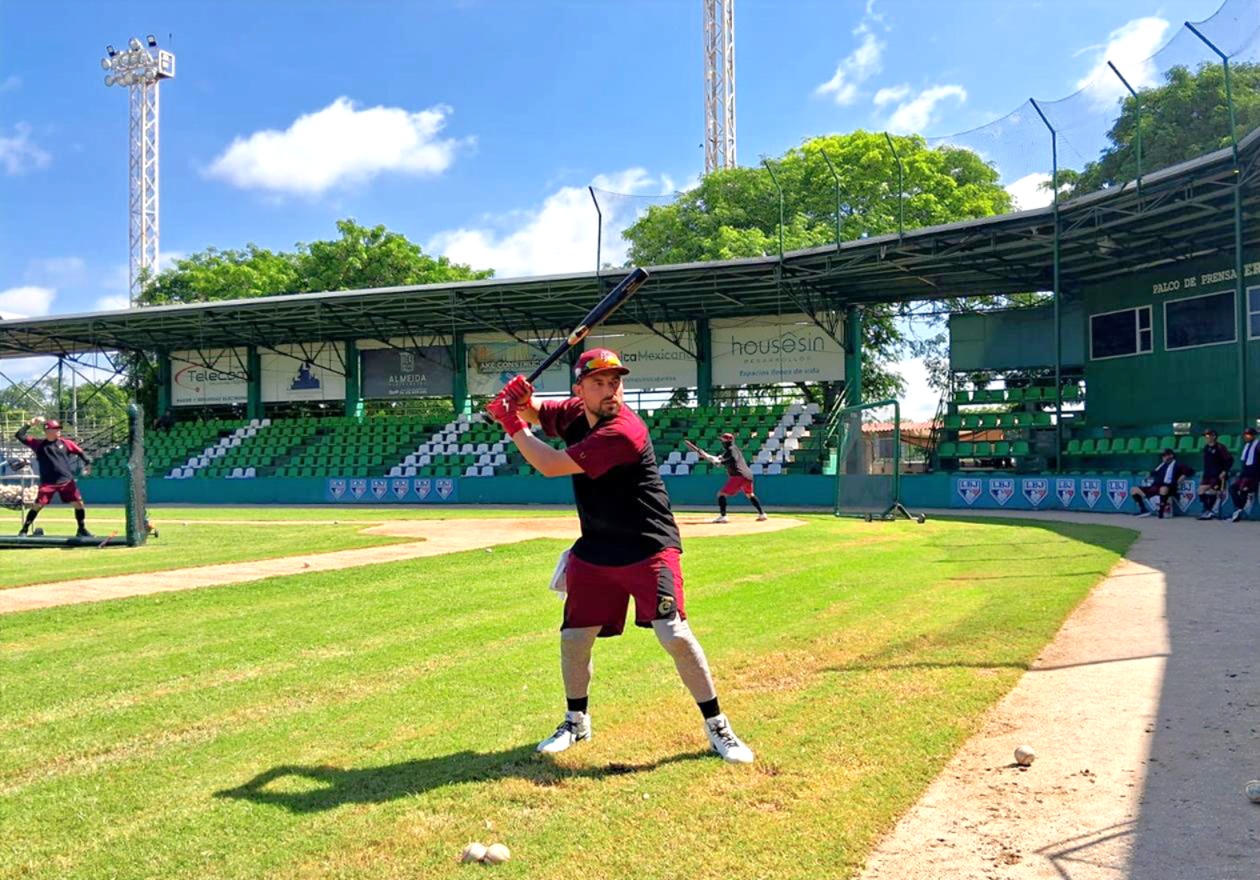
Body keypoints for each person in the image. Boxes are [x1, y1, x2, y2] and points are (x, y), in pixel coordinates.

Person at [485, 348, 754, 764]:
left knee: (674, 635)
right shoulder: (575, 412)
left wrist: (510, 421)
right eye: (600, 384)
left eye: (616, 383)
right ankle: (576, 721)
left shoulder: (623, 430)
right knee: (575, 639)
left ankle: (719, 728)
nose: (611, 391)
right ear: (581, 389)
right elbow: (541, 412)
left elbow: (552, 464)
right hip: (596, 547)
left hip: (648, 545)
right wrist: (522, 401)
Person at [14, 416, 93, 537]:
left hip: (66, 481)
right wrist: (29, 423)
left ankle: (81, 529)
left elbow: (82, 454)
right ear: (47, 431)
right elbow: (19, 435)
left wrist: (87, 464)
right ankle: (24, 530)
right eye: (55, 429)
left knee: (79, 504)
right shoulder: (39, 444)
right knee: (37, 506)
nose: (58, 431)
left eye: (58, 429)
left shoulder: (66, 443)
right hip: (48, 482)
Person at [697, 432, 768, 524]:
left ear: (727, 441)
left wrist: (721, 463)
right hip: (748, 475)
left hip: (738, 475)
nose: (721, 441)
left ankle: (723, 516)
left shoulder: (731, 449)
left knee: (721, 494)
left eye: (723, 440)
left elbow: (732, 459)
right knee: (750, 494)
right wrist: (706, 455)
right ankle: (762, 514)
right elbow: (718, 458)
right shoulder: (732, 449)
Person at [1129, 448, 1193, 519]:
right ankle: (1143, 510)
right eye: (1163, 456)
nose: (1163, 457)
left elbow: (1189, 471)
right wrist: (1149, 475)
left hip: (1169, 487)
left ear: (1171, 455)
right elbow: (1153, 473)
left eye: (1165, 455)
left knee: (1163, 489)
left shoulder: (1178, 465)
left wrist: (1180, 478)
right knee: (1133, 489)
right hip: (1155, 486)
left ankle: (1161, 512)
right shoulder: (1161, 465)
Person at [1197, 429, 1233, 520]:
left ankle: (1208, 511)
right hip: (1208, 474)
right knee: (1200, 490)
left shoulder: (1220, 447)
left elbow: (1229, 460)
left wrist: (1224, 471)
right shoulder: (1206, 448)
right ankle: (1207, 509)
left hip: (1217, 474)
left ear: (1214, 436)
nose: (1207, 438)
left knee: (1213, 491)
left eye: (1208, 436)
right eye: (1205, 436)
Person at [1228, 427, 1259, 523]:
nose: (1246, 436)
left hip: (1253, 474)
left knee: (1244, 490)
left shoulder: (1258, 445)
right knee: (1233, 488)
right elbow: (1244, 461)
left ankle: (1238, 511)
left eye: (1249, 435)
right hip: (1245, 473)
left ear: (1254, 436)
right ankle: (1239, 509)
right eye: (1245, 435)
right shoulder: (1246, 446)